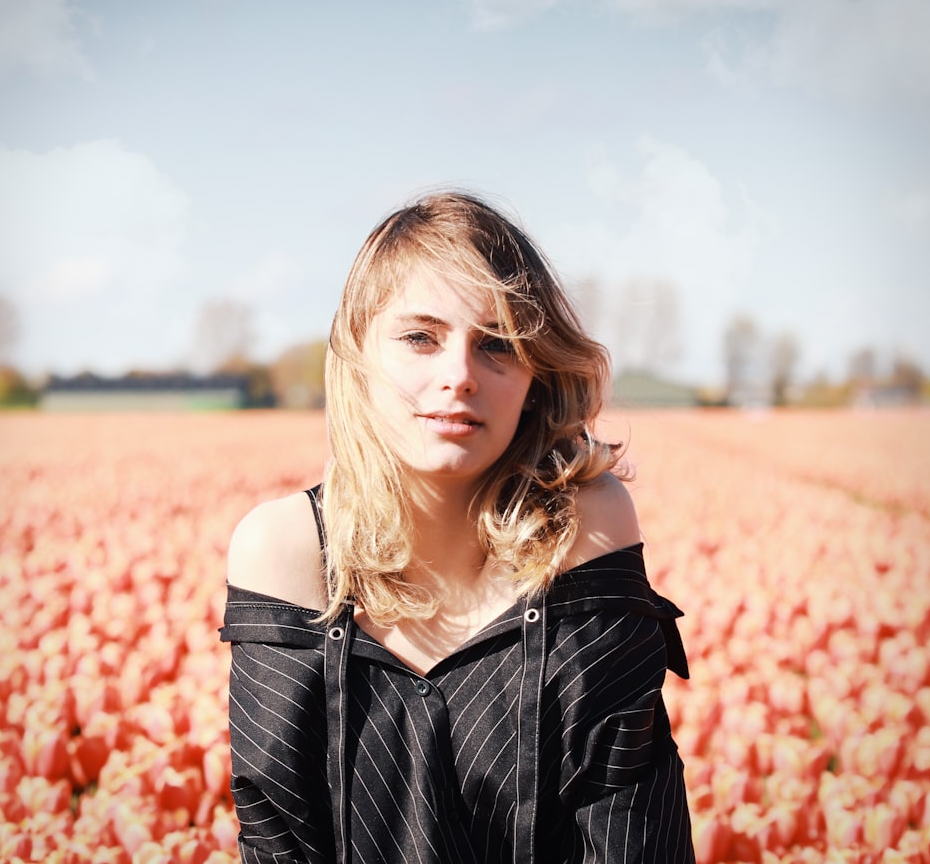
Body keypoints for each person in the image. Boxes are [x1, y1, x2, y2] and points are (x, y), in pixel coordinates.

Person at [221, 191, 694, 863]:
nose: (460, 376)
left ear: (535, 373)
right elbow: (279, 840)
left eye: (498, 343)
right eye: (420, 337)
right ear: (357, 353)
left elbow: (631, 834)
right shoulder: (287, 551)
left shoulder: (583, 532)